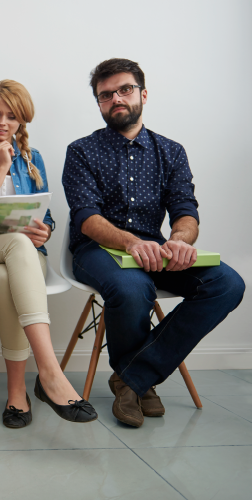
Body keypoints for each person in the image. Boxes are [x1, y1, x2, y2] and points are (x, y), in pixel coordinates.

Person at [63, 58, 245, 427]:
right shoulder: (81, 150)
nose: (116, 98)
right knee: (134, 286)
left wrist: (180, 240)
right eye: (105, 94)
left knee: (227, 284)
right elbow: (86, 215)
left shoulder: (171, 151)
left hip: (156, 248)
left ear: (143, 94)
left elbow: (185, 209)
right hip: (95, 249)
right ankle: (139, 383)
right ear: (99, 103)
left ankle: (132, 377)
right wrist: (130, 243)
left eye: (124, 90)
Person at [0, 80, 97, 427]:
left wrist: (46, 230)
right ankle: (50, 373)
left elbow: (46, 215)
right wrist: (0, 169)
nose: (2, 122)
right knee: (16, 244)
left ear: (22, 121)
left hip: (22, 260)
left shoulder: (34, 158)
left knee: (5, 274)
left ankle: (17, 393)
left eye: (11, 117)